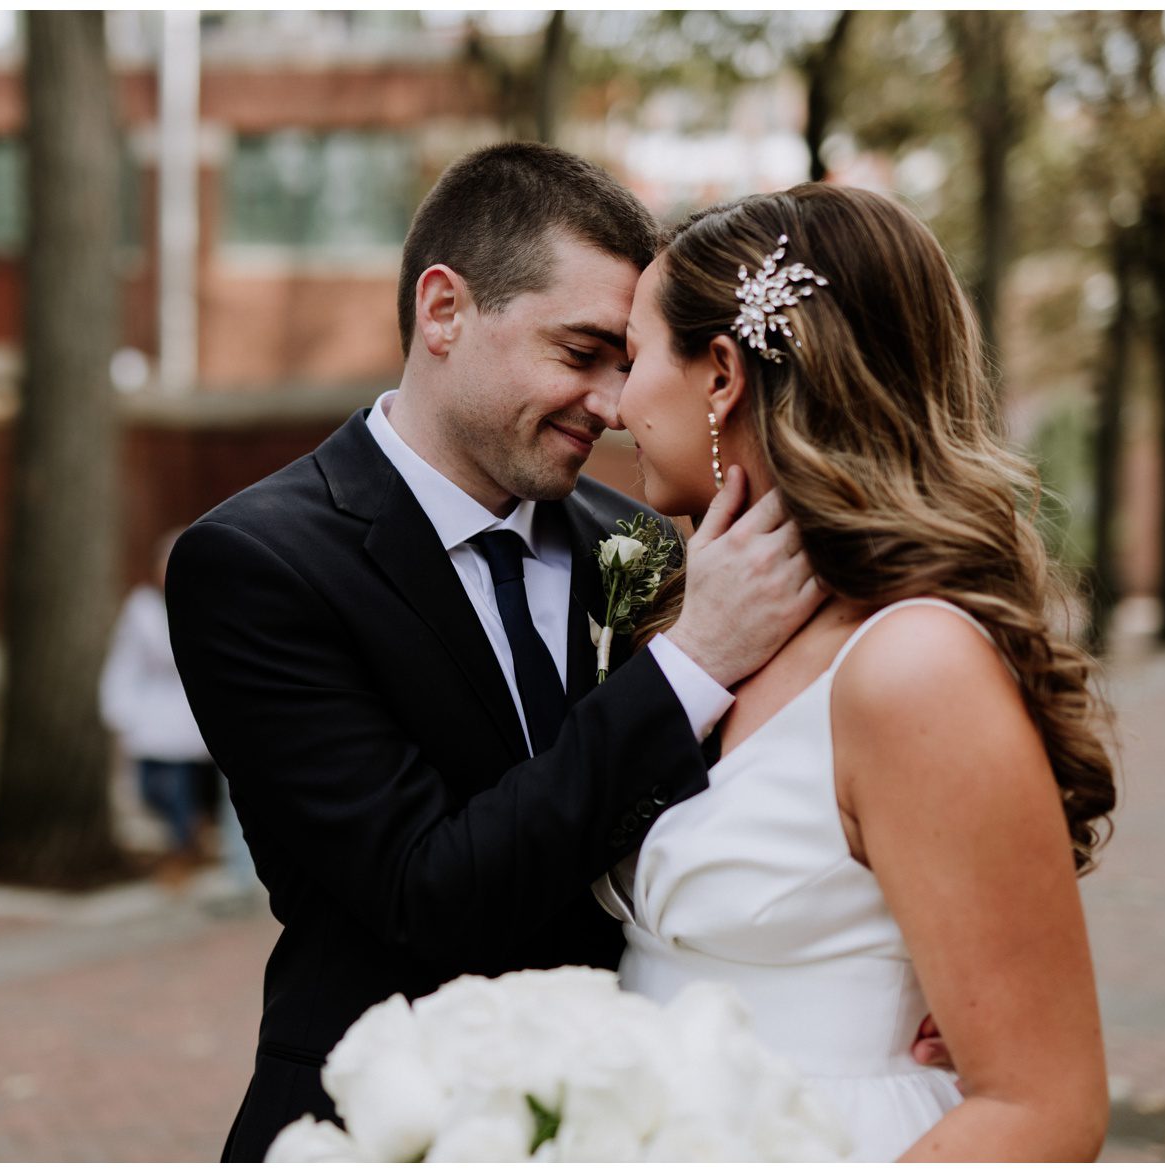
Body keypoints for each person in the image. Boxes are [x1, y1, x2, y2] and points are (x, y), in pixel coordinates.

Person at [166, 142, 826, 1162]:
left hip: (635, 1116)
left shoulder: (641, 546)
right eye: (579, 352)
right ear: (444, 312)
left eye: (627, 361)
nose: (611, 403)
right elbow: (426, 891)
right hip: (388, 1124)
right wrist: (684, 667)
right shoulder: (257, 564)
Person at [604, 182, 1117, 1159]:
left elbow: (1044, 1108)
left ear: (721, 376)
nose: (616, 405)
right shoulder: (690, 623)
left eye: (631, 358)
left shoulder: (910, 665)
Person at [100, 529, 219, 881]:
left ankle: (183, 849)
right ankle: (188, 838)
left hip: (192, 709)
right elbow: (126, 658)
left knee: (182, 786)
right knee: (150, 788)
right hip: (155, 711)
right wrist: (118, 705)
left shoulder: (206, 604)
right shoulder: (142, 608)